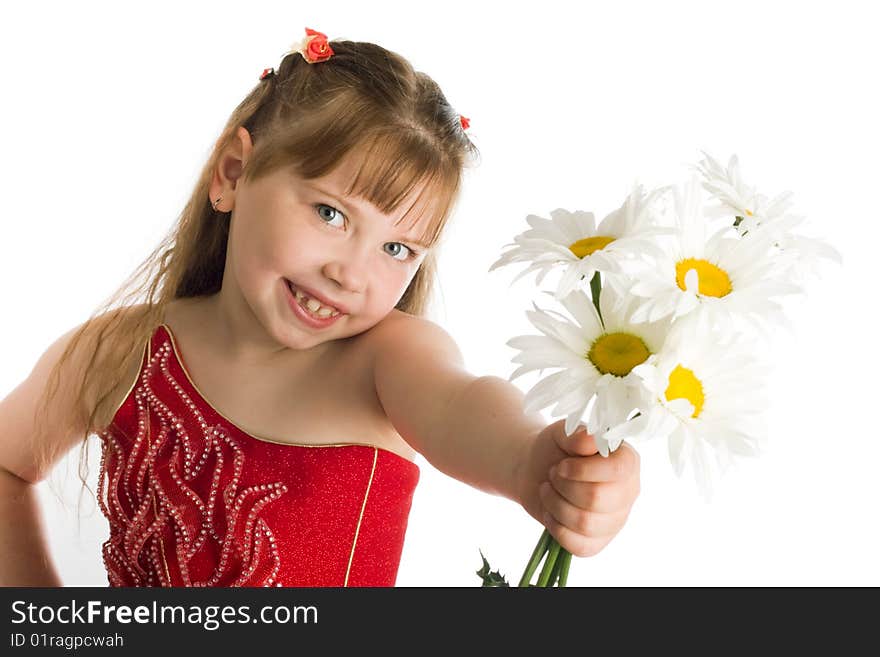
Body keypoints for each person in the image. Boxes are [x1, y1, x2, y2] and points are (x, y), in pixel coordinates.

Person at [0, 29, 640, 587]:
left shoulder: (386, 361)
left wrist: (534, 463)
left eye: (396, 247)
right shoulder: (120, 352)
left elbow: (464, 405)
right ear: (231, 173)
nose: (351, 272)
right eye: (331, 213)